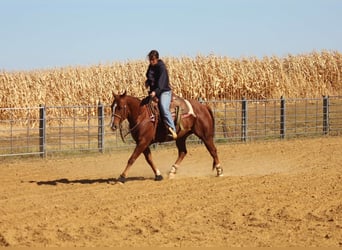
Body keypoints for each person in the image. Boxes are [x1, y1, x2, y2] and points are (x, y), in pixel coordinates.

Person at [145, 50, 177, 140]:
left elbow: (161, 83)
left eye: (153, 59)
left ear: (157, 58)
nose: (151, 61)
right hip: (154, 92)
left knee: (163, 107)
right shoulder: (151, 67)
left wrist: (155, 91)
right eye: (150, 59)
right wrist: (148, 82)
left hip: (164, 92)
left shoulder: (161, 67)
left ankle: (173, 129)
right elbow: (151, 78)